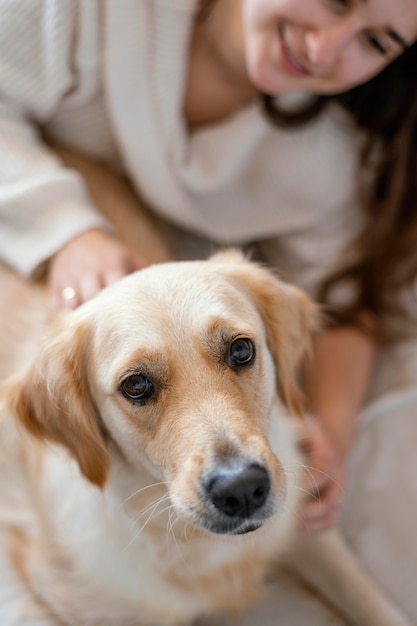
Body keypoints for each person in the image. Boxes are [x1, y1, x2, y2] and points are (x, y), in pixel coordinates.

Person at [0, 0, 417, 539]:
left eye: (376, 42)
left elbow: (346, 290)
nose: (324, 49)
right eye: (334, 0)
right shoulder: (74, 11)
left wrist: (330, 429)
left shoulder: (331, 160)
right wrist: (67, 230)